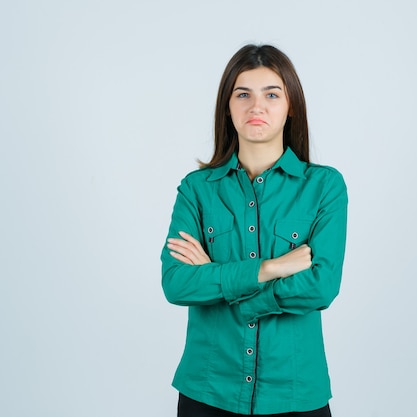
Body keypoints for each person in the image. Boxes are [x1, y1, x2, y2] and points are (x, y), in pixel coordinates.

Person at [161, 44, 348, 417]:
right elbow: (177, 283)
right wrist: (270, 268)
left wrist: (224, 284)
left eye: (271, 94)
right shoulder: (197, 189)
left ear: (290, 105)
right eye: (242, 94)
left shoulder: (324, 187)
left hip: (295, 394)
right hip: (208, 391)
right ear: (227, 107)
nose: (256, 106)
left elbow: (321, 286)